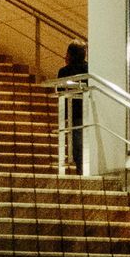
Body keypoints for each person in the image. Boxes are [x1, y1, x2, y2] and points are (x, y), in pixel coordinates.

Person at [57, 39, 88, 171]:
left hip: (73, 111)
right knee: (84, 141)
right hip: (88, 109)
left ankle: (81, 169)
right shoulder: (89, 68)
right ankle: (86, 168)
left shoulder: (64, 71)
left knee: (77, 141)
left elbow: (59, 90)